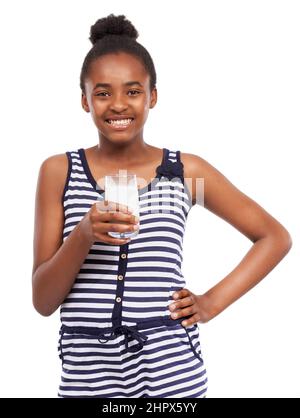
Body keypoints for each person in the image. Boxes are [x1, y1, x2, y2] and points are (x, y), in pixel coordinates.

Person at [32, 13, 292, 398]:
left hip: (171, 375)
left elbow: (274, 237)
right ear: (84, 100)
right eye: (102, 93)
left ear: (152, 96)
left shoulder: (186, 172)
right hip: (87, 379)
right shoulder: (59, 171)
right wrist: (84, 234)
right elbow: (43, 300)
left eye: (133, 91)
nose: (118, 104)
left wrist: (210, 304)